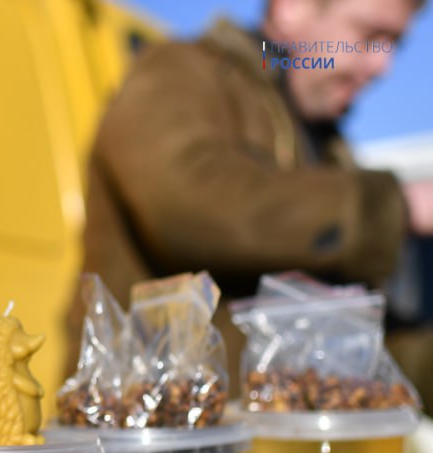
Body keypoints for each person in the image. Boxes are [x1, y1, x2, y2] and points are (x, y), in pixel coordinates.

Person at [66, 0, 433, 412]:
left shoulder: (330, 152)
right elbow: (191, 205)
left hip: (280, 439)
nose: (384, 66)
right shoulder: (181, 71)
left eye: (395, 45)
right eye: (371, 36)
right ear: (292, 9)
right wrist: (397, 206)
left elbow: (355, 340)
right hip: (153, 429)